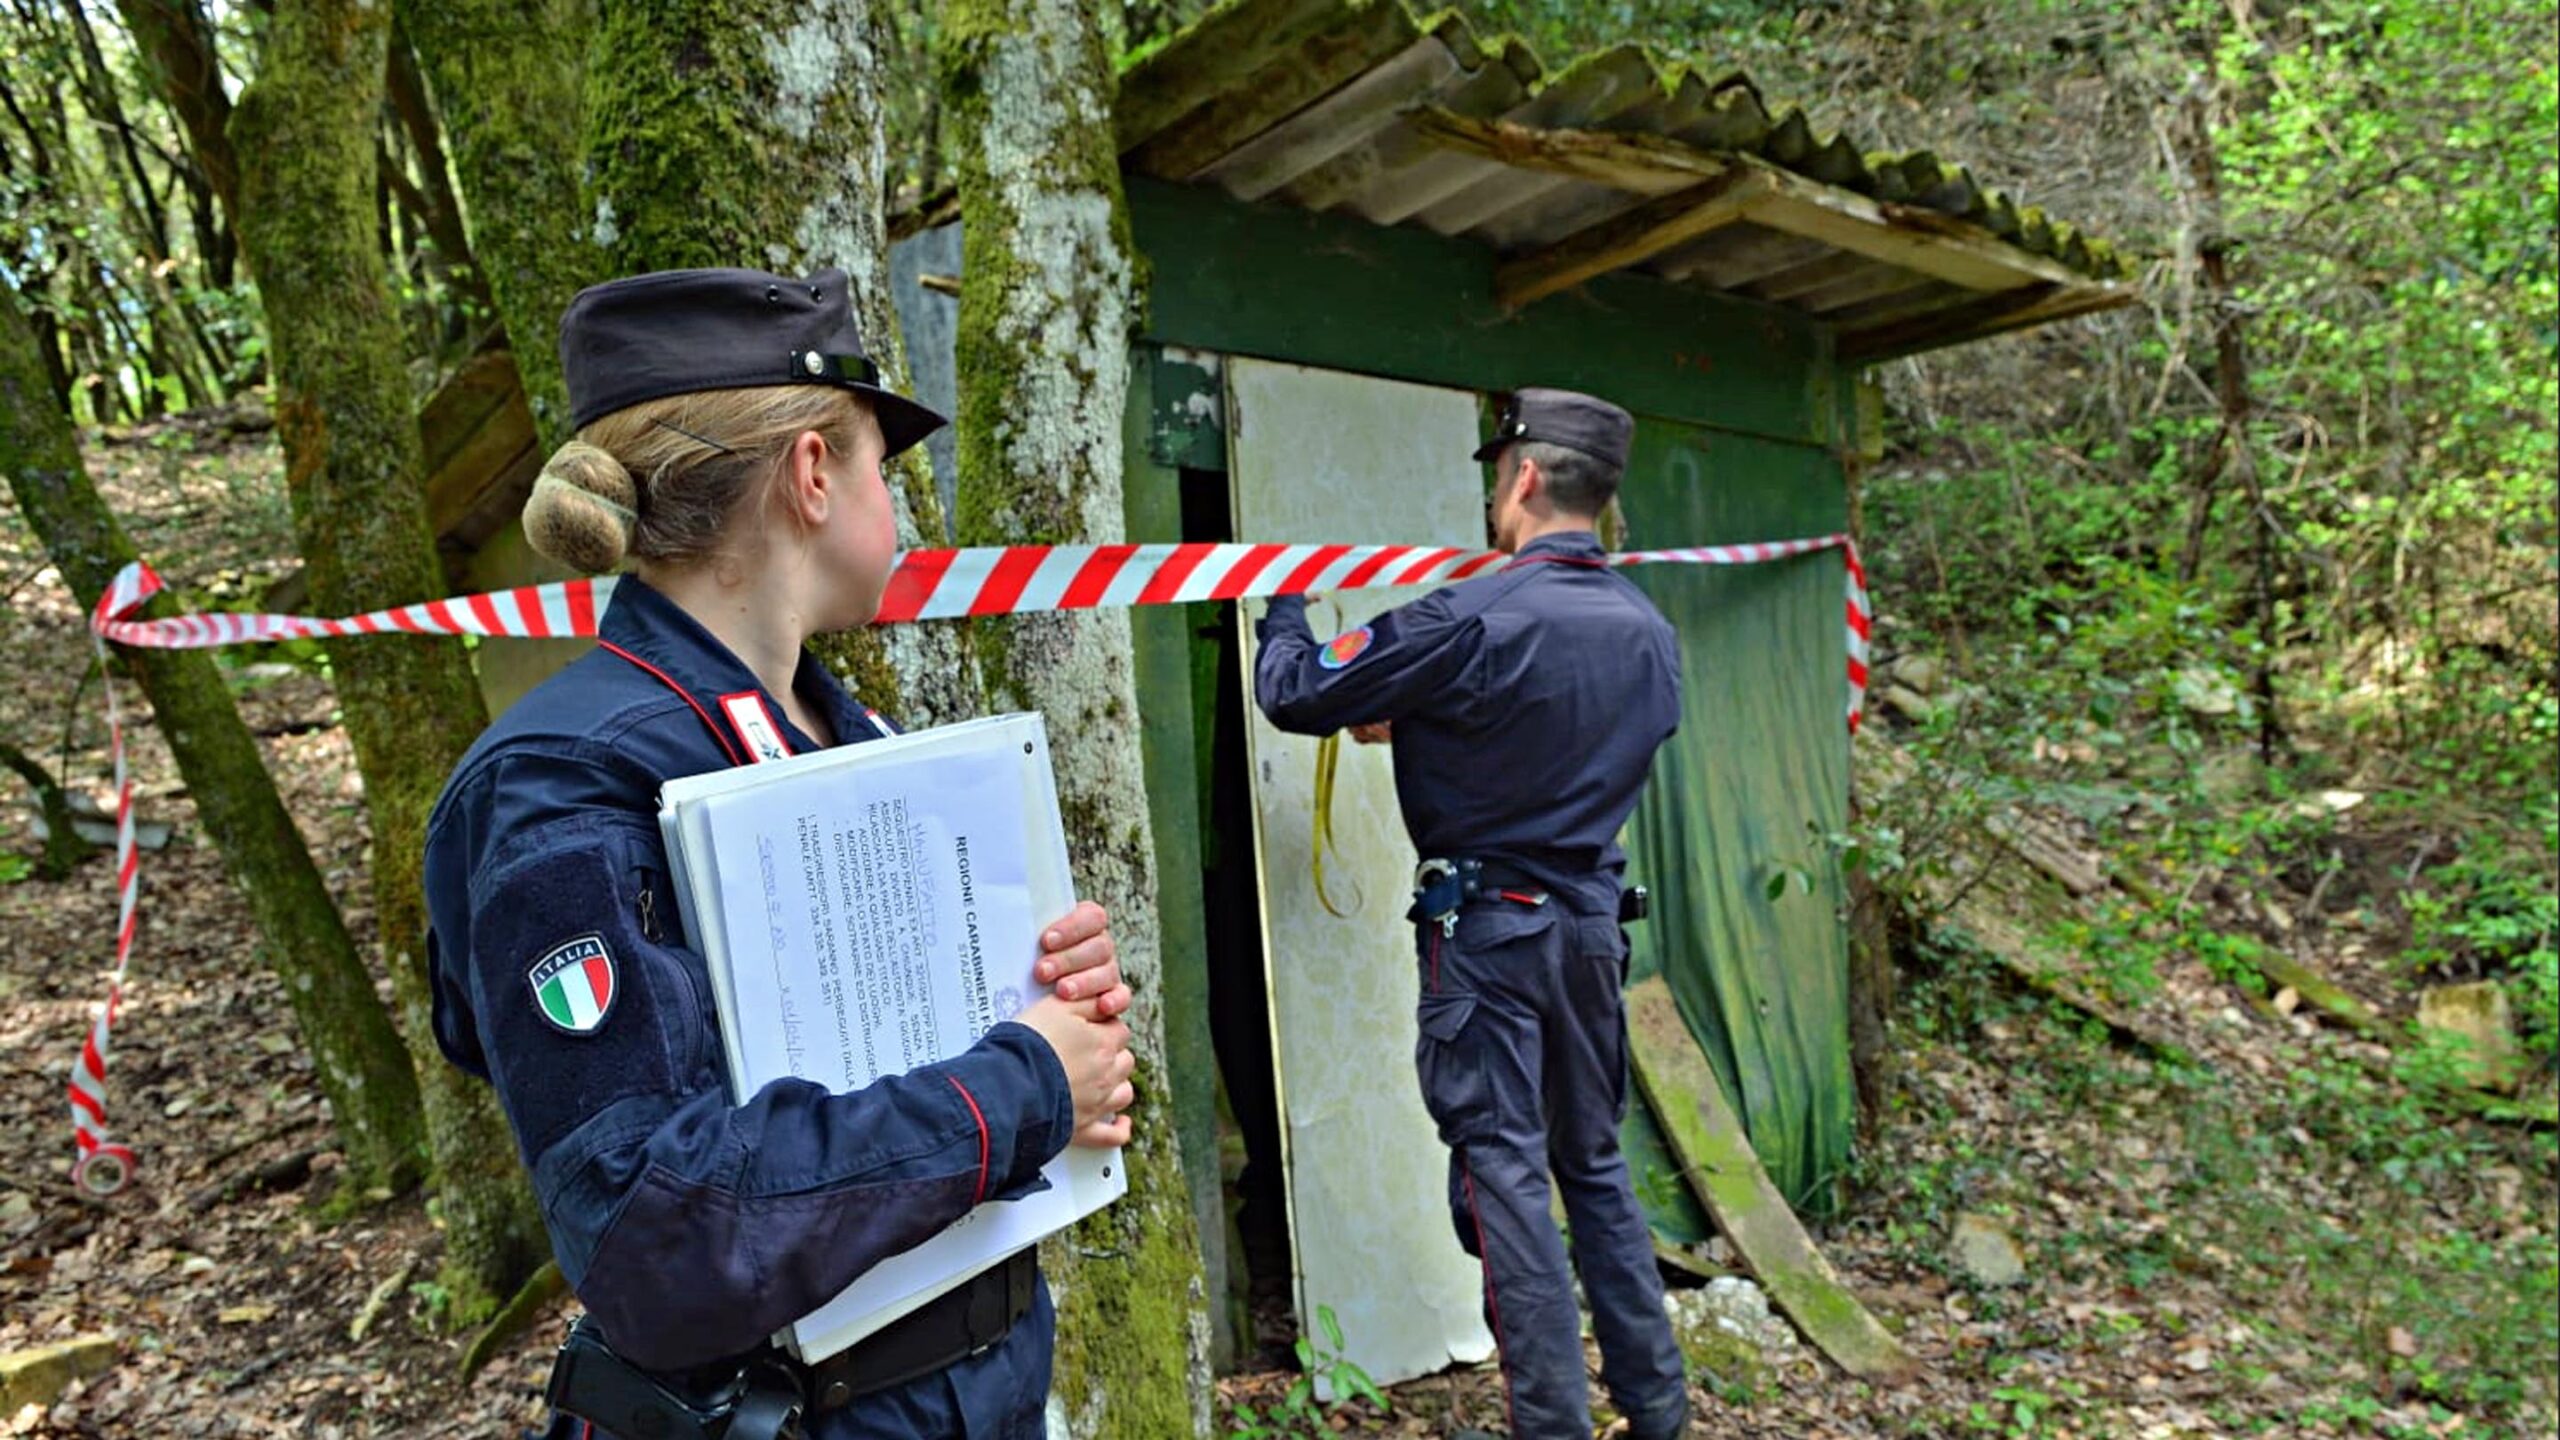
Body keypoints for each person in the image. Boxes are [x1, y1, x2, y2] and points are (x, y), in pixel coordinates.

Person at [423, 266, 1137, 1440]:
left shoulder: (856, 741)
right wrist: (1020, 1086)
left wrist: (1058, 1038)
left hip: (974, 1386)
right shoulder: (554, 784)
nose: (895, 506)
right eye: (880, 463)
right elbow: (654, 1229)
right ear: (813, 472)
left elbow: (945, 1080)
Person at [1252, 388, 1689, 1440]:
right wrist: (1433, 728)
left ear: (1524, 479)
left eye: (1497, 473)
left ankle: (1551, 1425)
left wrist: (1276, 601)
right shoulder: (1648, 632)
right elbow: (1563, 737)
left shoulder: (1469, 613)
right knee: (1590, 1164)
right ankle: (1657, 1409)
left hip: (1489, 936)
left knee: (1501, 1171)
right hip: (1590, 930)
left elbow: (1299, 691)